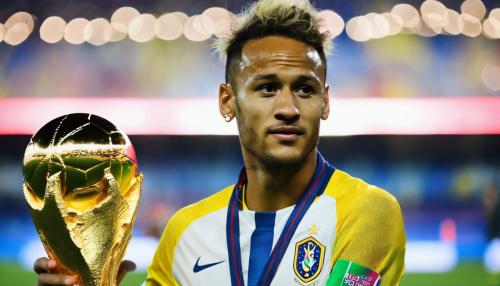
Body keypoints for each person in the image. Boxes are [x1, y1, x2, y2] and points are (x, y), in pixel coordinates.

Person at [35, 0, 406, 285]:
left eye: (305, 90)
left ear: (324, 103)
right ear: (227, 101)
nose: (288, 108)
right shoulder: (184, 231)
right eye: (267, 88)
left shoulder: (368, 212)